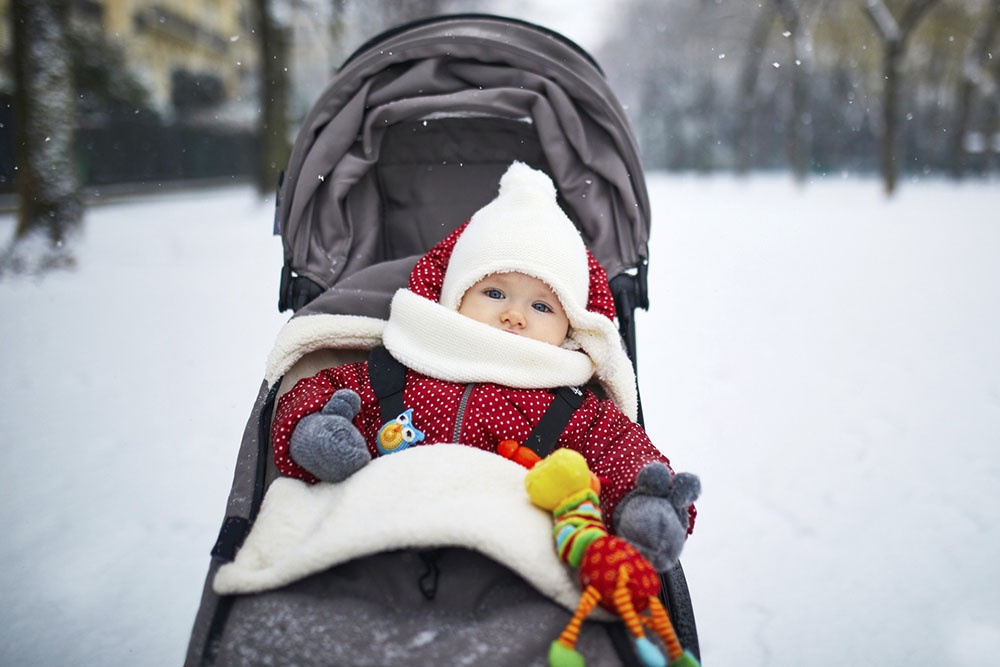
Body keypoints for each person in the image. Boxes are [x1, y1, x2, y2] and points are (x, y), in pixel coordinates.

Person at [271, 162, 698, 570]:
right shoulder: (401, 368)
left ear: (571, 323)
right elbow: (317, 390)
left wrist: (644, 499)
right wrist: (316, 429)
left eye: (541, 305)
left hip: (512, 560)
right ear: (455, 296)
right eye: (494, 293)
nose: (514, 315)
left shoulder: (572, 405)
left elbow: (620, 449)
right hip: (382, 538)